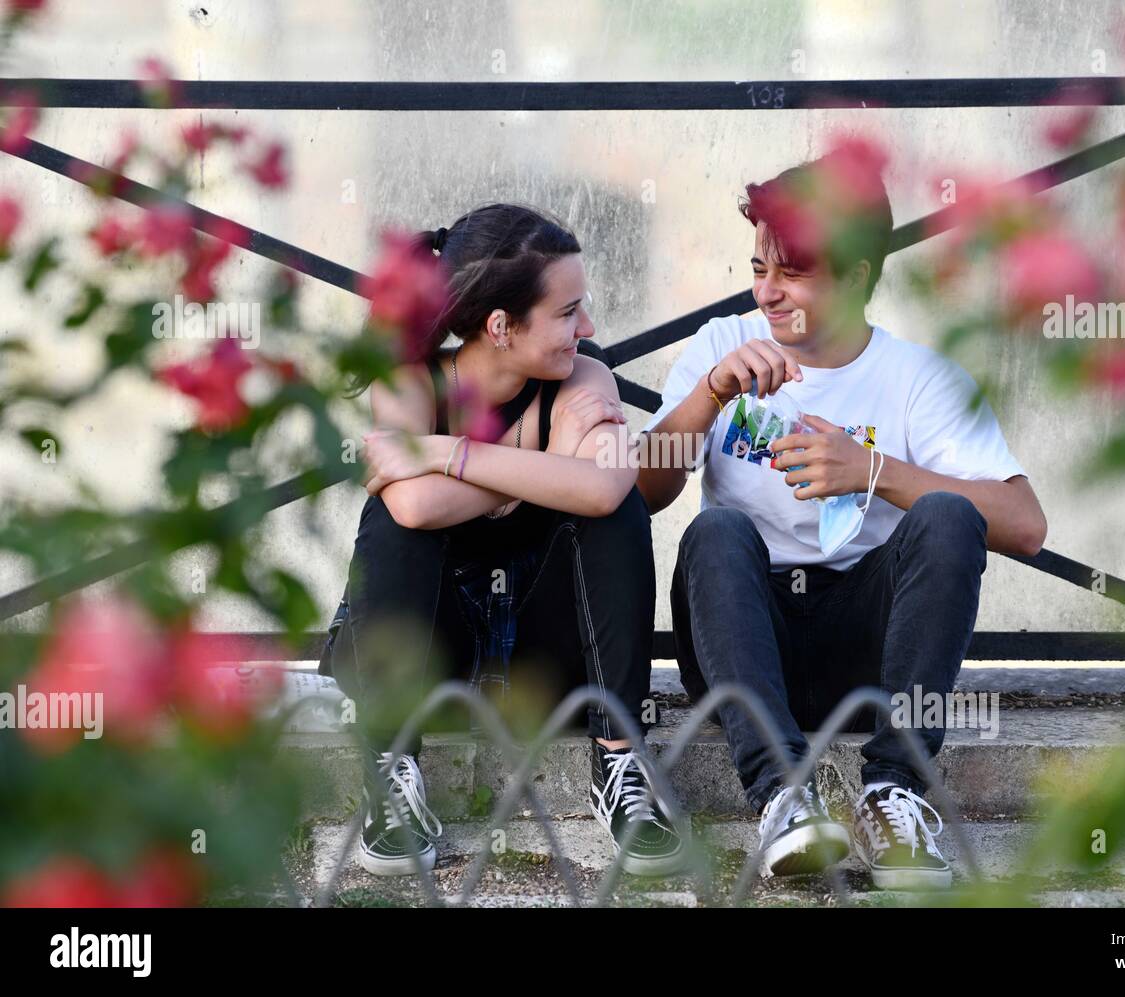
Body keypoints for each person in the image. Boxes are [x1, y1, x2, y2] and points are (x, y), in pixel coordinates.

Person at [637, 158, 1047, 887]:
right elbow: (642, 491)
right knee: (716, 531)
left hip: (865, 653)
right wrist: (707, 394)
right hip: (742, 647)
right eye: (759, 266)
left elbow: (1024, 522)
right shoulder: (719, 345)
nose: (766, 291)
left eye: (792, 274)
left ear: (858, 276)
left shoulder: (918, 376)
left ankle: (893, 795)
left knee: (949, 513)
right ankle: (785, 799)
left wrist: (874, 472)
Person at [322, 204, 684, 877]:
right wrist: (543, 462)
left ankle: (619, 759)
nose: (590, 327)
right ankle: (391, 763)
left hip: (543, 664)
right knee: (391, 518)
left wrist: (452, 452)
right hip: (433, 656)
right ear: (500, 326)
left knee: (619, 512)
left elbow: (606, 490)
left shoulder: (584, 374)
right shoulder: (409, 378)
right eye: (569, 311)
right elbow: (417, 502)